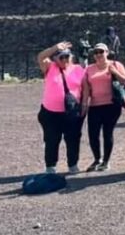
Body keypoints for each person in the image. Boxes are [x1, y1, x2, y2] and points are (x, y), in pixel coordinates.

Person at [36, 42, 86, 174]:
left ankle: (73, 164)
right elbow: (40, 57)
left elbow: (85, 88)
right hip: (51, 112)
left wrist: (85, 104)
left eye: (67, 57)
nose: (64, 60)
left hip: (72, 111)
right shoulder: (50, 67)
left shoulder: (78, 69)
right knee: (52, 139)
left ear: (71, 57)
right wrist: (54, 48)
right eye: (61, 57)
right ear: (55, 58)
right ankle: (51, 165)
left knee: (73, 138)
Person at [81, 43, 125, 172]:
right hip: (95, 105)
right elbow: (86, 89)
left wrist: (114, 72)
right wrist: (84, 105)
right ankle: (97, 159)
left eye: (101, 51)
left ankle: (106, 161)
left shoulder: (116, 65)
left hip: (112, 105)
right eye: (96, 52)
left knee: (107, 133)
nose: (98, 55)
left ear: (107, 52)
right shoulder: (89, 69)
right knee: (93, 134)